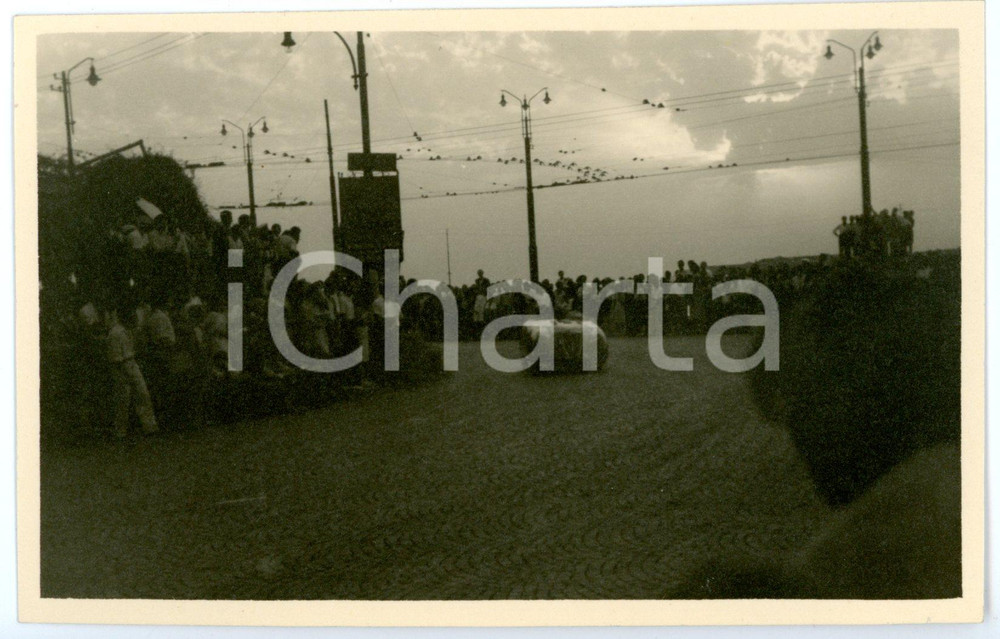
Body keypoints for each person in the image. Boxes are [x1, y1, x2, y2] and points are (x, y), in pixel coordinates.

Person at [105, 303, 158, 437]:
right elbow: (116, 357)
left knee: (142, 395)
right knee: (124, 400)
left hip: (130, 364)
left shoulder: (125, 331)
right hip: (123, 367)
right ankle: (121, 431)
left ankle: (148, 427)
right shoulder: (116, 333)